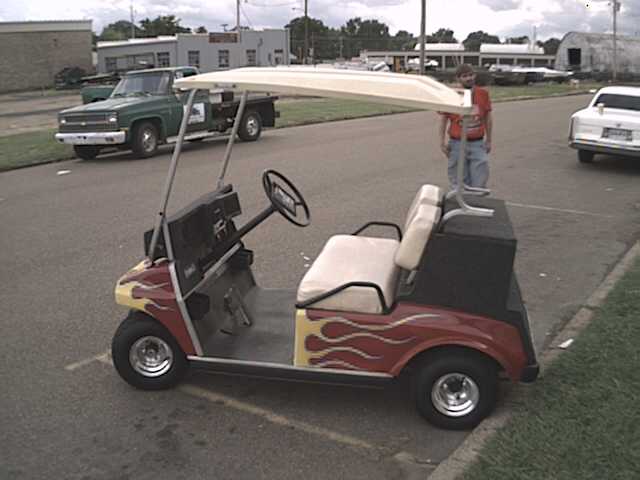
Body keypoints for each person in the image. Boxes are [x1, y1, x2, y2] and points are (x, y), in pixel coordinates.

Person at [439, 64, 493, 189]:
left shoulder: (483, 94)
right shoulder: (452, 95)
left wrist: (489, 140)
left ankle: (476, 203)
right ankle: (460, 204)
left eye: (471, 75)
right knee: (458, 180)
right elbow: (443, 119)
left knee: (480, 178)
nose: (469, 78)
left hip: (477, 143)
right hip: (457, 143)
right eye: (464, 76)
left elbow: (488, 118)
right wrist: (442, 142)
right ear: (458, 78)